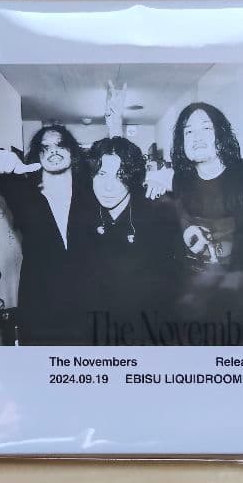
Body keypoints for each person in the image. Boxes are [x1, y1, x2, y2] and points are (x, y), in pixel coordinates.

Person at [0, 125, 94, 345]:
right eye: (45, 147)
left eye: (60, 145)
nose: (53, 150)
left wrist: (155, 182)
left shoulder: (92, 192)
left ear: (72, 152)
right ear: (38, 155)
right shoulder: (24, 194)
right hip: (40, 307)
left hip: (89, 306)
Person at [80, 136, 183, 343]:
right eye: (102, 174)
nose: (108, 187)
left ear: (132, 177)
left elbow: (172, 283)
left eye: (120, 176)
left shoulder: (156, 212)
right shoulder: (83, 213)